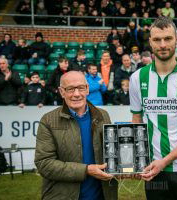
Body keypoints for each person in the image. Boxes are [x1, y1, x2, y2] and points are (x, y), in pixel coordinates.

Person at [130, 16, 177, 200]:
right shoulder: (137, 78)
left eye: (168, 38)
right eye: (157, 39)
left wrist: (164, 161)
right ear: (150, 42)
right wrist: (134, 160)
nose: (163, 44)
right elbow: (136, 121)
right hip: (154, 170)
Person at [35, 71, 118, 200]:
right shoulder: (48, 120)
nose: (76, 94)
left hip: (102, 195)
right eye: (70, 89)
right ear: (62, 92)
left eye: (81, 88)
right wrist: (86, 170)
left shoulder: (103, 115)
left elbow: (111, 152)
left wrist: (125, 167)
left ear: (87, 89)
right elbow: (44, 164)